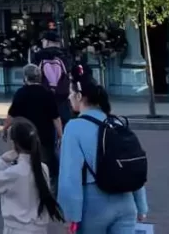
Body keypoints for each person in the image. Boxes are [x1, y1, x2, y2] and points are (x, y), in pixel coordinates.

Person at [57, 82, 148, 233]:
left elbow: (70, 176)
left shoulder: (74, 127)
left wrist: (71, 215)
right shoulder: (117, 122)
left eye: (71, 94)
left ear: (79, 96)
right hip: (126, 203)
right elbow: (131, 164)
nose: (69, 97)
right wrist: (141, 206)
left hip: (93, 205)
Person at [0, 117, 63, 234]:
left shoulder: (14, 173)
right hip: (39, 229)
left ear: (15, 144)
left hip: (17, 229)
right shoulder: (43, 168)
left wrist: (1, 160)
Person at [3, 64, 63, 182]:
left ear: (25, 78)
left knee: (26, 166)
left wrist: (5, 128)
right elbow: (55, 117)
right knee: (45, 168)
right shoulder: (47, 93)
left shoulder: (21, 93)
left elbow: (12, 115)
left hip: (25, 138)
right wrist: (61, 135)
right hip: (44, 138)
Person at [33, 32, 72, 125]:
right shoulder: (66, 55)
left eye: (43, 40)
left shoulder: (38, 56)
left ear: (47, 42)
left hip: (44, 93)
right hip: (62, 94)